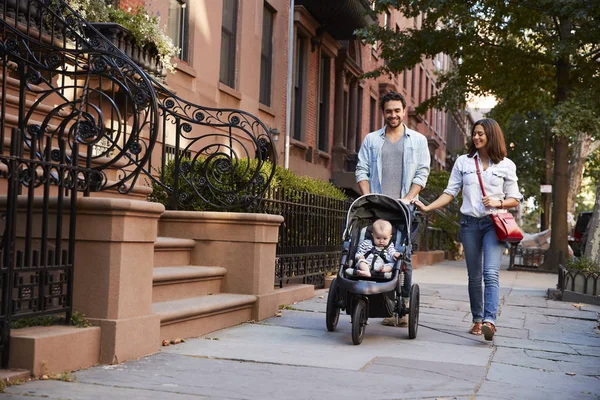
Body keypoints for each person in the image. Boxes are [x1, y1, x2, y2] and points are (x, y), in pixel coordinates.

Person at [412, 118, 523, 341]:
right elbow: (450, 192)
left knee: (490, 273)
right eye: (475, 133)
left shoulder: (506, 165)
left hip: (493, 224)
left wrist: (498, 203)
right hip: (469, 224)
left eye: (481, 133)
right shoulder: (464, 162)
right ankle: (477, 319)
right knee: (474, 276)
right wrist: (427, 206)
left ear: (492, 135)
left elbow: (515, 198)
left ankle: (490, 320)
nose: (476, 137)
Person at [355, 91, 431, 326]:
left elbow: (422, 172)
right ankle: (380, 303)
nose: (393, 115)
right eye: (389, 111)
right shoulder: (372, 140)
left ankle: (404, 304)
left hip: (403, 209)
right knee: (371, 251)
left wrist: (408, 198)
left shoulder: (418, 141)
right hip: (377, 208)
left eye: (397, 110)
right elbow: (362, 170)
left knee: (402, 257)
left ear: (404, 110)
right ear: (383, 112)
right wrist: (368, 197)